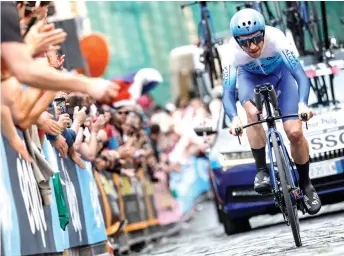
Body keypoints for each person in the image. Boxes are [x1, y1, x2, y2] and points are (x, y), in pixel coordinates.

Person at [222, 8, 321, 215]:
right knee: (252, 113)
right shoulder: (230, 52)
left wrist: (303, 103)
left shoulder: (277, 38)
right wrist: (233, 119)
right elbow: (228, 92)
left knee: (294, 132)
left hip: (281, 77)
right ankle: (262, 171)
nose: (252, 46)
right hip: (250, 80)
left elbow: (300, 76)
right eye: (245, 42)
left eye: (257, 39)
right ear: (237, 41)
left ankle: (306, 184)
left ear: (263, 33)